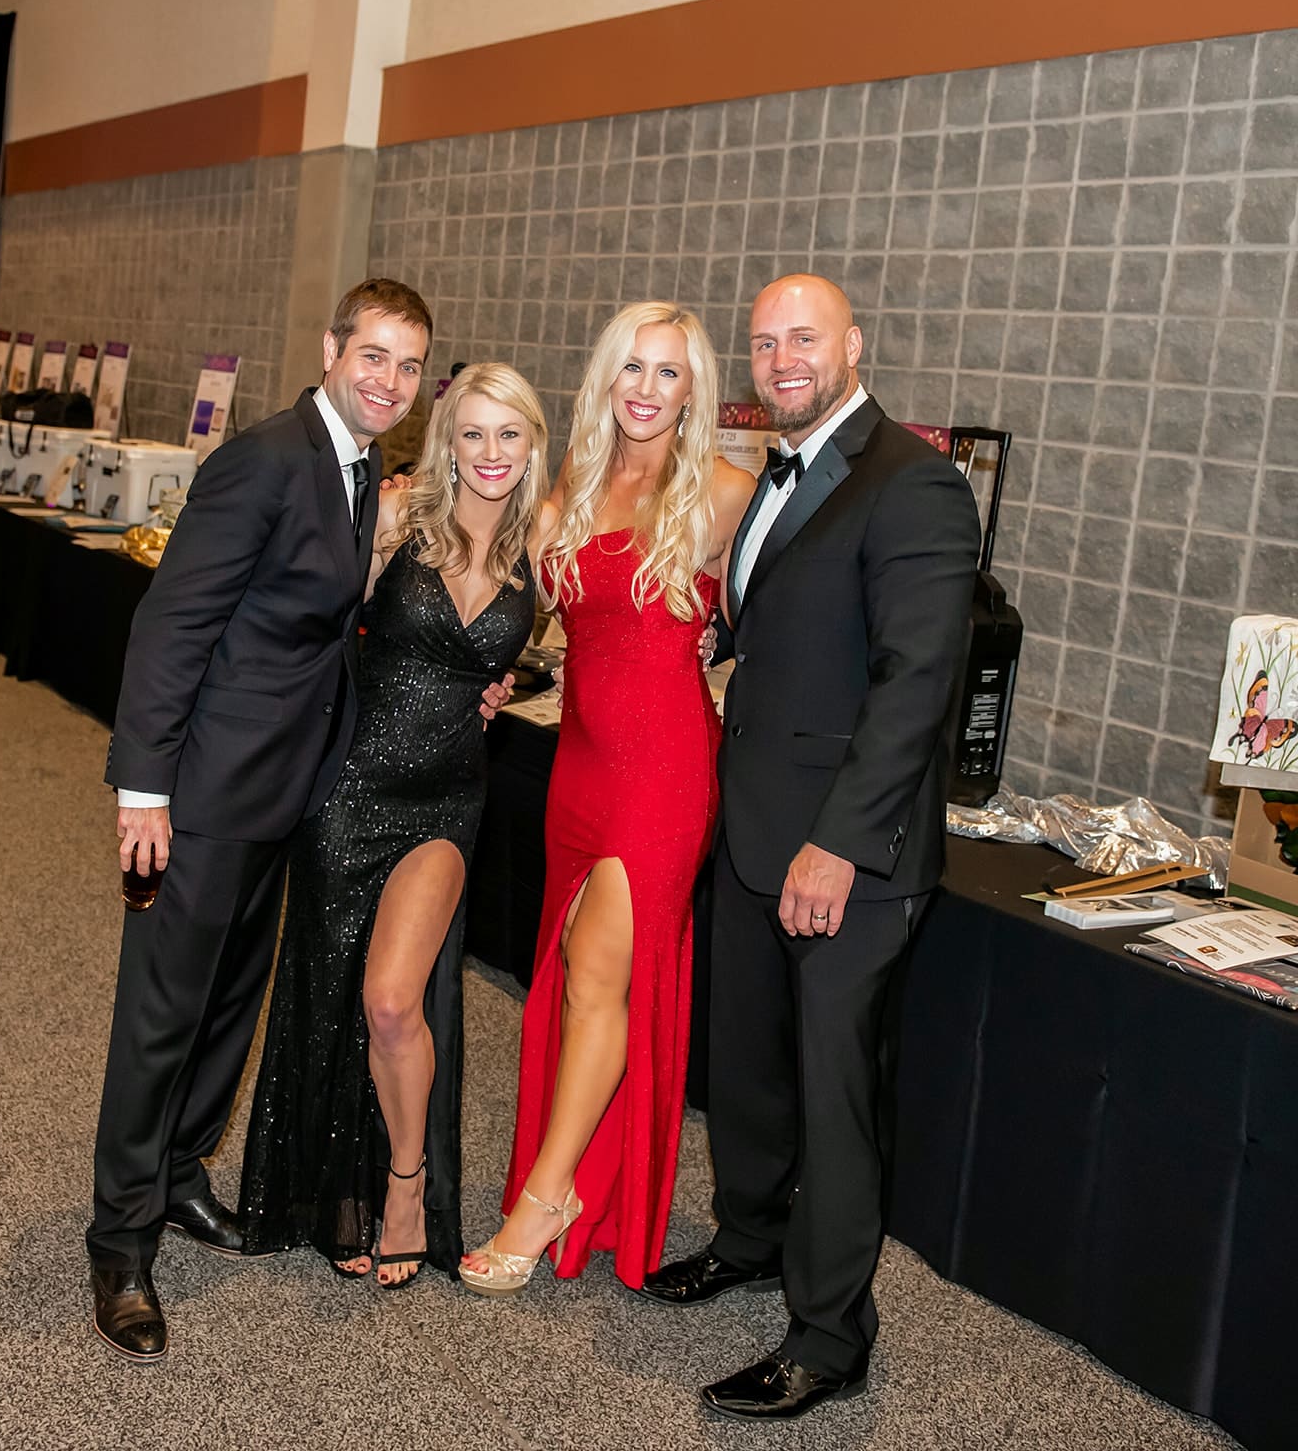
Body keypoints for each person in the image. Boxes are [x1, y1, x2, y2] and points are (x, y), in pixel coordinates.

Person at [641, 275, 980, 1423]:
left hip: (847, 854)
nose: (781, 357)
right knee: (744, 1064)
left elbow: (915, 684)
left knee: (834, 1100)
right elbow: (776, 631)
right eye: (763, 342)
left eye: (803, 337)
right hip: (749, 829)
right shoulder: (775, 475)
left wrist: (836, 845)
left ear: (853, 345)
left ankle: (829, 1337)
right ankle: (747, 1238)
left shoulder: (914, 482)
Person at [89, 278, 431, 1362]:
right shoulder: (265, 459)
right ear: (331, 349)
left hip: (282, 789)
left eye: (408, 365)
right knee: (160, 1019)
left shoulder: (358, 466)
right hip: (202, 794)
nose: (389, 380)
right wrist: (144, 788)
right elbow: (172, 623)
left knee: (229, 1007)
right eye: (373, 355)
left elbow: (316, 628)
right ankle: (120, 1244)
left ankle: (180, 1172)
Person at [461, 301, 755, 1297]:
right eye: (632, 367)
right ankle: (577, 1178)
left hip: (663, 772)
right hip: (578, 766)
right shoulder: (570, 491)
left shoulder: (724, 493)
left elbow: (777, 617)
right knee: (576, 975)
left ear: (693, 389)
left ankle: (546, 1197)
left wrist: (728, 648)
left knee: (595, 974)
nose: (647, 388)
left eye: (668, 372)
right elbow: (518, 608)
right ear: (605, 378)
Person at [239, 364, 551, 1287]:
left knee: (389, 1000)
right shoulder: (396, 518)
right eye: (472, 432)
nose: (490, 453)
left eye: (509, 434)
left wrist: (713, 637)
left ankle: (406, 1186)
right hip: (350, 789)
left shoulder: (546, 541)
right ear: (447, 439)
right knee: (332, 990)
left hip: (447, 803)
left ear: (533, 445)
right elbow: (310, 623)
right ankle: (333, 1189)